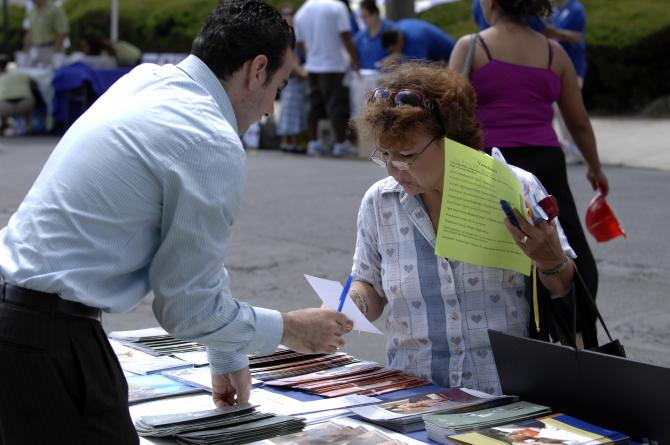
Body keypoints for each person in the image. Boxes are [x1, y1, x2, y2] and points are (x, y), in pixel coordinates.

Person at [0, 2, 352, 444]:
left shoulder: (147, 81)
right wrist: (290, 328)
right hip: (47, 341)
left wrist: (226, 352)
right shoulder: (209, 138)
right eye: (278, 88)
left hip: (21, 317)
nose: (267, 111)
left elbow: (191, 259)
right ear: (257, 70)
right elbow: (186, 307)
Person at [349, 63, 577, 395]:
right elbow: (369, 283)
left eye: (407, 155)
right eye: (384, 155)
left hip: (504, 393)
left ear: (452, 140)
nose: (394, 168)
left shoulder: (515, 188)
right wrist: (345, 310)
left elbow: (566, 293)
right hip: (413, 393)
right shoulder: (379, 201)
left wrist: (550, 259)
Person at [449, 0, 607, 347]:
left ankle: (522, 340)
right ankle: (577, 338)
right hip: (546, 162)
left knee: (503, 254)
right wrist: (594, 168)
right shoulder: (554, 53)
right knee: (566, 250)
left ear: (490, 4)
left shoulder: (473, 46)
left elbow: (452, 114)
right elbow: (577, 121)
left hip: (492, 163)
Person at [294, 0, 360, 157]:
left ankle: (314, 143)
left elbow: (300, 41)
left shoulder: (303, 10)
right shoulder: (337, 7)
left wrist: (311, 55)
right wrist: (355, 61)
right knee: (337, 105)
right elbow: (345, 35)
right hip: (335, 65)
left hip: (313, 66)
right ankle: (341, 143)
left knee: (314, 105)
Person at [546, 0, 588, 162]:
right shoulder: (557, 11)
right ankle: (571, 147)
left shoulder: (574, 9)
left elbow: (571, 36)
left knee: (569, 111)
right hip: (558, 69)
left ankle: (576, 149)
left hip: (573, 68)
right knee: (558, 111)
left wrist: (553, 33)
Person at [277, 4, 308, 154]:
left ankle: (293, 142)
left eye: (291, 13)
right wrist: (301, 72)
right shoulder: (282, 34)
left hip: (297, 77)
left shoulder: (298, 32)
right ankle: (286, 141)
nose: (288, 16)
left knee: (296, 110)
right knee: (288, 109)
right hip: (288, 77)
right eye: (285, 13)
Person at [380, 19, 454, 66]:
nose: (395, 53)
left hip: (449, 58)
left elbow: (417, 69)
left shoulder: (416, 40)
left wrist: (397, 62)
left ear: (399, 40)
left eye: (394, 50)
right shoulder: (397, 28)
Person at [23, 0, 69, 67]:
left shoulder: (55, 9)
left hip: (51, 48)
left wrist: (56, 51)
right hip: (36, 49)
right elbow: (30, 31)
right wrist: (26, 51)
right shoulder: (32, 11)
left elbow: (62, 32)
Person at [0, 55, 36, 135]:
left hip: (4, 108)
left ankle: (3, 125)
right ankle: (30, 127)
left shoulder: (1, 77)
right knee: (29, 97)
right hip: (25, 104)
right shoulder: (21, 73)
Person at [354, 0, 394, 70]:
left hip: (387, 75)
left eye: (366, 16)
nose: (364, 20)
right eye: (362, 17)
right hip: (366, 76)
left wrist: (394, 57)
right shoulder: (360, 37)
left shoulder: (391, 29)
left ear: (375, 14)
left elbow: (401, 52)